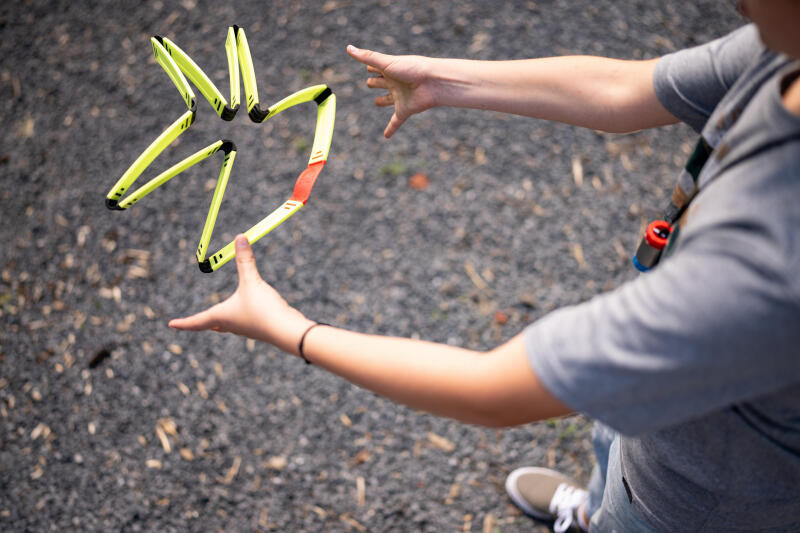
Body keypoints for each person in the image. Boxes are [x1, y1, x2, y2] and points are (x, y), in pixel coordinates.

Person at [170, 1, 800, 531]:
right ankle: (594, 507)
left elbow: (494, 391)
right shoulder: (781, 51)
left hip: (703, 502)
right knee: (613, 441)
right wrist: (443, 82)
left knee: (637, 505)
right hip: (666, 408)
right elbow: (627, 88)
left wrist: (290, 329)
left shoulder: (764, 262)